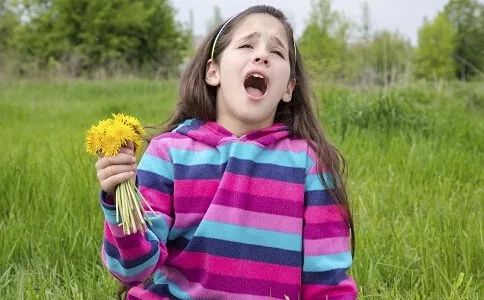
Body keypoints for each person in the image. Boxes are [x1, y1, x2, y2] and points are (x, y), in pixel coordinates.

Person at [95, 5, 357, 300]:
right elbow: (133, 270)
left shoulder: (310, 163)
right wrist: (119, 199)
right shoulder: (169, 153)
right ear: (213, 71)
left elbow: (327, 284)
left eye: (277, 52)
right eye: (247, 45)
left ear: (289, 88)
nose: (262, 56)